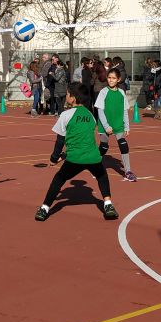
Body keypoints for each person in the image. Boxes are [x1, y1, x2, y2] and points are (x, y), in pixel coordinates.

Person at [35, 82, 118, 222]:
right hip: (93, 156)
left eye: (68, 94)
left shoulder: (66, 115)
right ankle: (108, 205)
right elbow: (82, 140)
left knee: (59, 179)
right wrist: (64, 155)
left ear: (72, 98)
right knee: (102, 175)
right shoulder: (90, 116)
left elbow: (60, 141)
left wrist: (54, 158)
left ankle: (44, 208)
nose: (66, 95)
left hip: (75, 158)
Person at [95, 67, 136, 182]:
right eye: (109, 78)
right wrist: (107, 126)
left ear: (118, 79)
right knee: (103, 147)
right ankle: (96, 167)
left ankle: (127, 171)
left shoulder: (121, 93)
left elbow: (124, 111)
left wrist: (127, 126)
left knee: (124, 145)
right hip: (105, 125)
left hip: (118, 125)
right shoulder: (103, 92)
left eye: (113, 78)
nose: (111, 80)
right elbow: (100, 111)